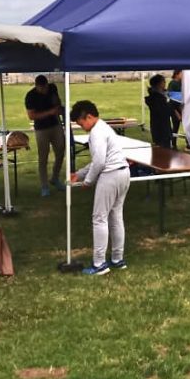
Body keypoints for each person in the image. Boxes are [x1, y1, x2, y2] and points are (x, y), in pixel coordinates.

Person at [70, 100, 130, 276]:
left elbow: (99, 162)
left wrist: (87, 181)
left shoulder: (96, 133)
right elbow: (98, 160)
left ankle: (99, 264)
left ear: (89, 116)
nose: (82, 127)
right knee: (116, 216)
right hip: (123, 173)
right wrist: (79, 174)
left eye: (81, 123)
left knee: (99, 218)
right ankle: (118, 259)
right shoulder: (104, 127)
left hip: (110, 175)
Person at [25, 75, 65, 197]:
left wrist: (59, 108)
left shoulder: (53, 88)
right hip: (41, 129)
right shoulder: (30, 96)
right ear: (36, 86)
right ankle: (44, 186)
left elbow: (57, 103)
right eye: (41, 89)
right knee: (43, 157)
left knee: (60, 151)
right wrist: (50, 112)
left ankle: (55, 178)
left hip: (55, 125)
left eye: (45, 88)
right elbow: (31, 116)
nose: (44, 91)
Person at [144, 73, 175, 149]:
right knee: (163, 152)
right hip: (162, 129)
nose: (165, 84)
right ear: (159, 84)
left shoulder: (157, 97)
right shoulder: (157, 99)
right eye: (164, 82)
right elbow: (164, 112)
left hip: (159, 128)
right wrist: (169, 103)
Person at [168, 70, 184, 147]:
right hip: (174, 108)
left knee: (187, 126)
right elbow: (171, 97)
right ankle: (173, 143)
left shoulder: (182, 83)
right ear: (177, 74)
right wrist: (177, 113)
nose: (183, 75)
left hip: (181, 107)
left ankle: (189, 145)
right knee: (176, 126)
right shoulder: (172, 83)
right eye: (182, 74)